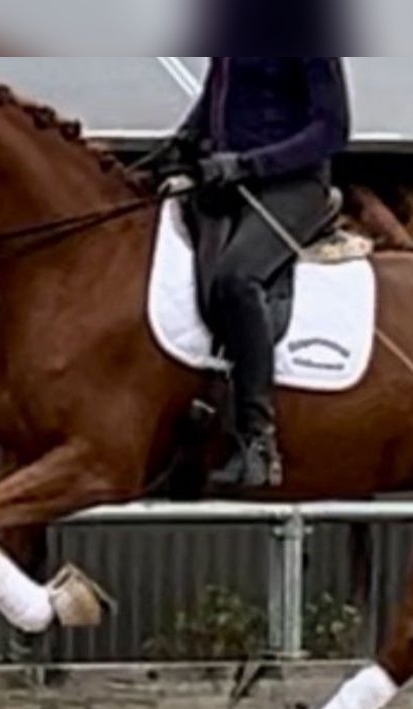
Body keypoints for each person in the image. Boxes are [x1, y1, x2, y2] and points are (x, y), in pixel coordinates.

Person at [158, 57, 352, 490]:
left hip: (294, 186)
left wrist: (248, 164)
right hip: (228, 185)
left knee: (236, 279)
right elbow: (216, 97)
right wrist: (184, 139)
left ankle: (257, 440)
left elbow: (331, 130)